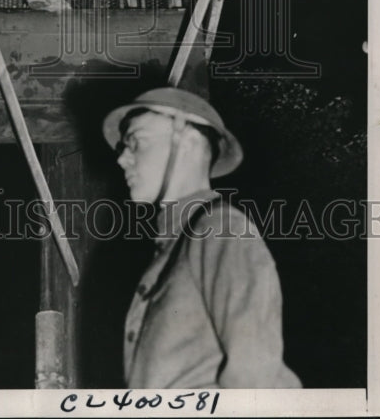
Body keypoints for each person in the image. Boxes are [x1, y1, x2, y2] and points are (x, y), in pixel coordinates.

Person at [102, 87, 301, 389]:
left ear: (190, 143)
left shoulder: (221, 229)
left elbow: (257, 376)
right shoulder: (176, 242)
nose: (122, 160)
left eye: (136, 142)